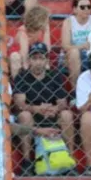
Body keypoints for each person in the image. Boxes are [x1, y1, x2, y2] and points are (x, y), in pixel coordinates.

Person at [13, 42, 74, 172]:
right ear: (29, 60)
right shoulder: (22, 76)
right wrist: (36, 109)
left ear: (46, 59)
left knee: (67, 114)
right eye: (34, 58)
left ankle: (70, 157)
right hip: (32, 116)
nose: (38, 62)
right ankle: (26, 161)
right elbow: (19, 104)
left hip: (52, 114)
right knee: (24, 115)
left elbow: (63, 102)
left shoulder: (55, 75)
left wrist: (54, 109)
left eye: (41, 58)